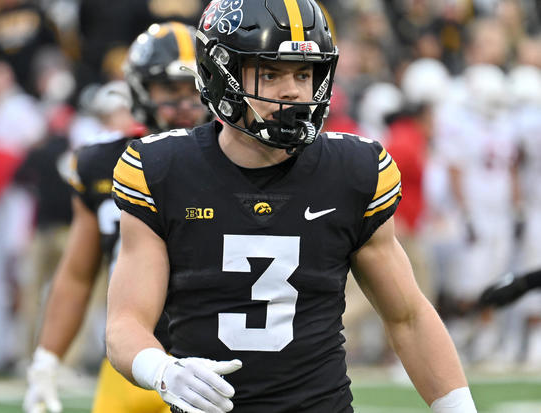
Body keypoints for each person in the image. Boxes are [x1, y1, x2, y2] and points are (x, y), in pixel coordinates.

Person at [107, 1, 476, 412]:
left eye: (304, 73)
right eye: (270, 73)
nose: (293, 90)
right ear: (218, 73)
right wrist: (162, 369)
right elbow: (126, 323)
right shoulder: (164, 171)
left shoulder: (353, 171)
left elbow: (408, 318)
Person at [23, 21, 209, 413]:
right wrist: (47, 358)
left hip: (213, 357)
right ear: (141, 88)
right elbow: (77, 272)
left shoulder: (235, 159)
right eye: (170, 90)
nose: (185, 104)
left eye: (195, 90)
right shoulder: (101, 163)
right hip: (134, 362)